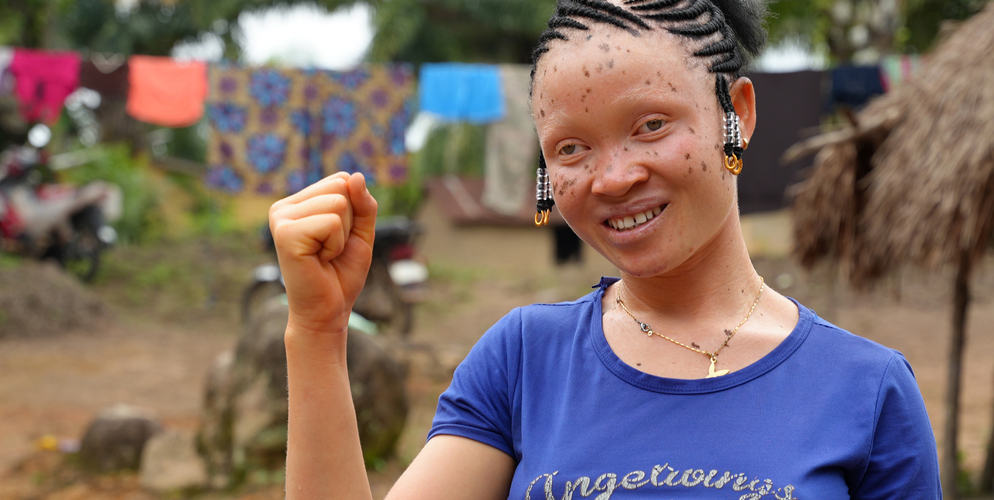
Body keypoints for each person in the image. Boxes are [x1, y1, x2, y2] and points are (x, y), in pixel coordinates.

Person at [270, 0, 941, 498]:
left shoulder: (866, 389)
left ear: (736, 112)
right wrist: (318, 332)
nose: (613, 177)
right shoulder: (523, 360)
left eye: (651, 125)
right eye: (571, 148)